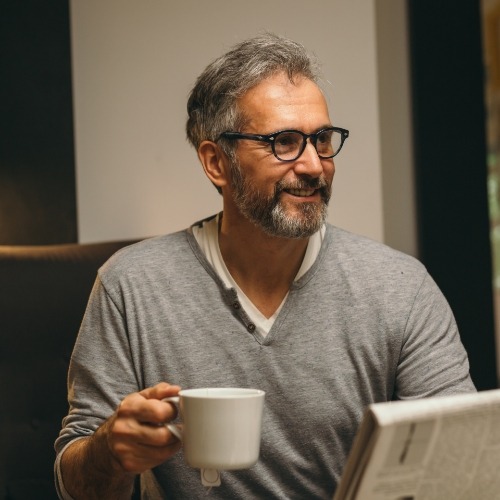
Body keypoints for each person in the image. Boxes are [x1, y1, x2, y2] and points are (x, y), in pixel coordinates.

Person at [55, 33, 475, 499]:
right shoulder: (131, 285)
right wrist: (110, 451)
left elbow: (460, 466)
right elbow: (77, 487)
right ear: (217, 162)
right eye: (284, 142)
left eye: (321, 139)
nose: (315, 165)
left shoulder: (400, 288)